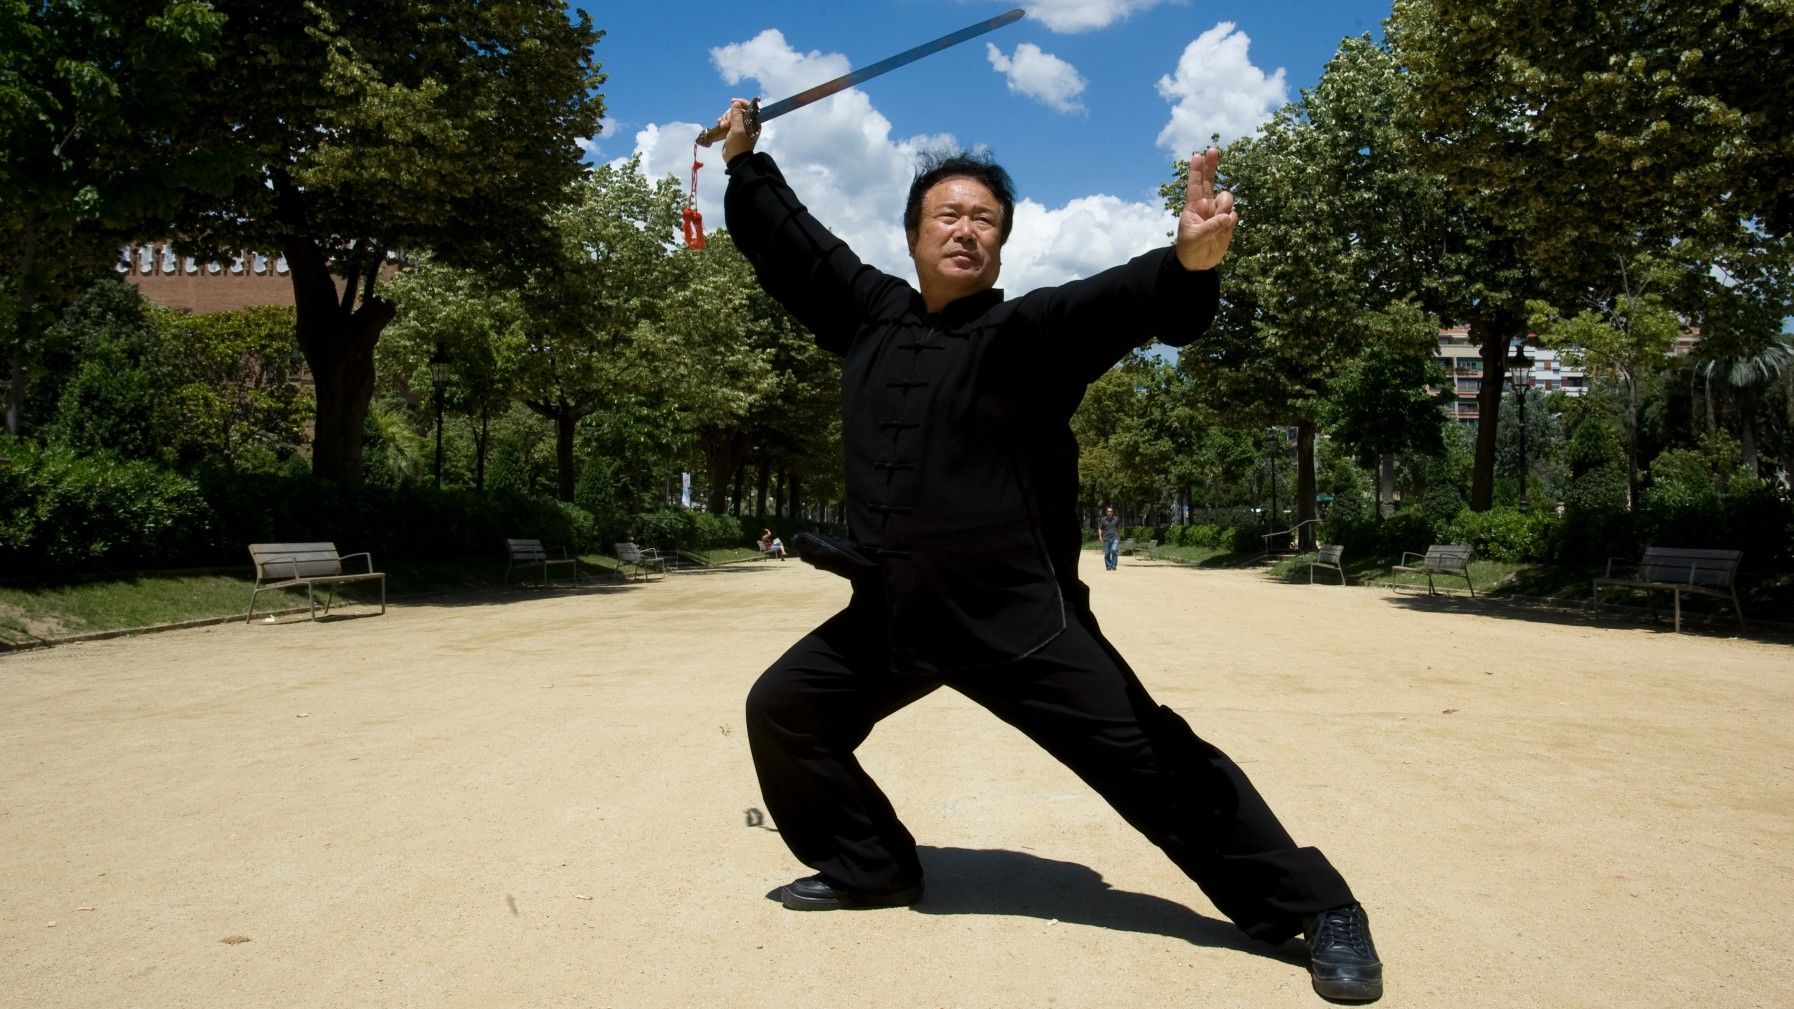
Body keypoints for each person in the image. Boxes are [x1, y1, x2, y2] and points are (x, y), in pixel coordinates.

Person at [715, 99, 1382, 1003]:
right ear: (913, 235)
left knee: (1156, 763)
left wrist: (1187, 263)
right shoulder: (868, 315)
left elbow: (1114, 302)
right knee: (785, 710)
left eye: (984, 220)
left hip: (1019, 620)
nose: (965, 229)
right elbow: (793, 242)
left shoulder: (1023, 336)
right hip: (896, 614)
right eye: (947, 215)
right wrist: (748, 158)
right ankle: (872, 865)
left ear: (1001, 245)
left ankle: (1320, 907)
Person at [1099, 505, 1123, 571]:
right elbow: (1100, 529)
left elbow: (1118, 528)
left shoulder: (1116, 519)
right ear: (1106, 512)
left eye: (1111, 511)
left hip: (1114, 538)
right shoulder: (1103, 520)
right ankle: (1108, 566)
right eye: (1108, 511)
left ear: (1113, 512)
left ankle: (1114, 565)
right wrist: (1100, 536)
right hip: (1106, 539)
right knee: (1107, 553)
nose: (1109, 512)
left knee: (1114, 550)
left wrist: (1118, 537)